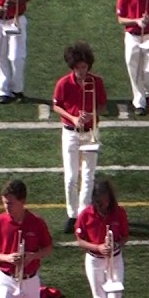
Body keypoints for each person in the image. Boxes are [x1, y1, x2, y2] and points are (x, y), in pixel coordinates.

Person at [53, 42, 107, 234]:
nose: (82, 71)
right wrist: (73, 117)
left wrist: (92, 115)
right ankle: (72, 214)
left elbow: (102, 105)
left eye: (84, 67)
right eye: (78, 68)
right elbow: (57, 105)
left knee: (88, 175)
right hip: (70, 132)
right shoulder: (64, 83)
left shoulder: (96, 82)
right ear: (72, 66)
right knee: (71, 176)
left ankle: (84, 213)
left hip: (90, 132)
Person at [74, 178, 129, 298]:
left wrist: (115, 244)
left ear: (109, 197)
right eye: (97, 200)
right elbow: (80, 240)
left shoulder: (118, 212)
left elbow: (125, 236)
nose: (101, 204)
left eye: (104, 199)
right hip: (95, 260)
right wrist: (98, 247)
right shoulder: (86, 214)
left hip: (115, 259)